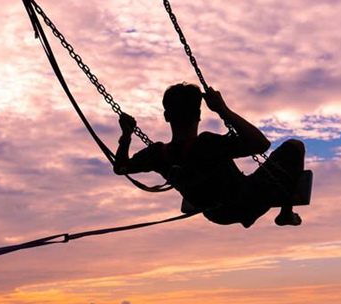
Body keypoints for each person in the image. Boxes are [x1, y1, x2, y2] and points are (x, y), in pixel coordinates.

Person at [113, 83, 305, 228]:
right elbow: (261, 144)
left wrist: (126, 135)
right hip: (246, 202)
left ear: (166, 116)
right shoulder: (208, 144)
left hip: (215, 214)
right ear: (199, 115)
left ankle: (283, 212)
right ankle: (286, 213)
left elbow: (121, 167)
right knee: (295, 146)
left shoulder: (157, 154)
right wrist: (222, 109)